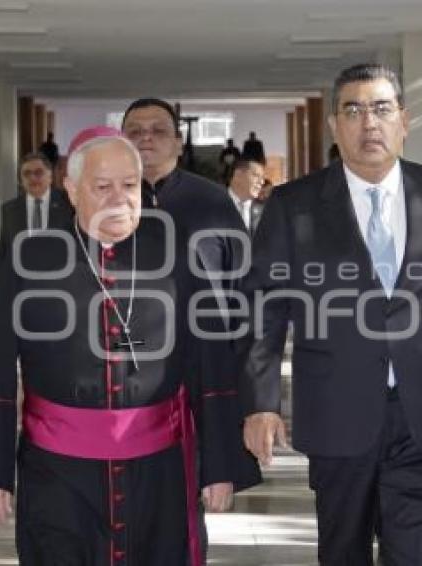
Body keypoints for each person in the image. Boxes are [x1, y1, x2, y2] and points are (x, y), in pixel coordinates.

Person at [240, 63, 422, 565]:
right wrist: (261, 402)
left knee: (417, 552)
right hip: (338, 411)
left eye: (381, 109)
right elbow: (266, 310)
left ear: (404, 120)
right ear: (334, 126)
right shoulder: (294, 205)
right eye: (353, 111)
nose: (368, 123)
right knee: (343, 550)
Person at [0, 126, 242, 565]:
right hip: (58, 474)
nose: (119, 197)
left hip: (159, 472)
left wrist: (221, 465)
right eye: (102, 186)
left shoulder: (178, 250)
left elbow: (210, 364)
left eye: (129, 185)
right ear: (71, 190)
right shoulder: (32, 257)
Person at [121, 99, 261, 549]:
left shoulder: (210, 201)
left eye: (158, 130)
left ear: (179, 143)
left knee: (184, 497)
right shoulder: (98, 200)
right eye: (135, 130)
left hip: (197, 364)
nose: (146, 138)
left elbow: (240, 285)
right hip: (118, 369)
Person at [0, 152, 74, 264]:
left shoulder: (69, 204)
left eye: (38, 173)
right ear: (21, 180)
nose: (32, 178)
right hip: (22, 277)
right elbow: (4, 253)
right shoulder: (9, 209)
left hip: (60, 276)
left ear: (50, 176)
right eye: (27, 174)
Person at [227, 157, 266, 236]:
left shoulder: (265, 209)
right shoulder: (215, 204)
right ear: (238, 175)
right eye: (256, 176)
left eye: (262, 178)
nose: (262, 182)